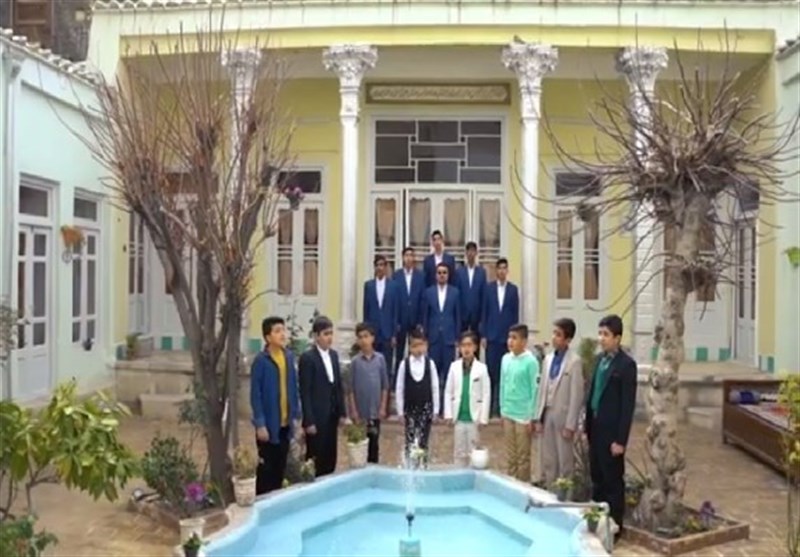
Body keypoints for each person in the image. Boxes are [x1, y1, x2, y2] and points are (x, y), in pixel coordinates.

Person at [585, 314, 637, 541]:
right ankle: (596, 520)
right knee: (596, 477)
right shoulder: (599, 361)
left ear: (617, 338)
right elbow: (592, 393)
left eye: (606, 334)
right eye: (600, 334)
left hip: (612, 434)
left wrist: (621, 440)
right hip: (595, 428)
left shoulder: (626, 365)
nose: (601, 338)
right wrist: (586, 425)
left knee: (612, 480)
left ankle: (615, 525)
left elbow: (627, 406)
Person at [250, 316, 301, 494]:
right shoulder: (261, 361)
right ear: (267, 337)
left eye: (283, 330)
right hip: (268, 425)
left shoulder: (288, 357)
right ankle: (262, 500)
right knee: (266, 469)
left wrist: (296, 416)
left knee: (280, 467)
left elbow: (294, 388)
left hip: (285, 424)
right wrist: (260, 424)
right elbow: (255, 395)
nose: (282, 334)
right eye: (277, 331)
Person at [534, 318, 585, 486]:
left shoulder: (574, 362)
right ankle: (550, 489)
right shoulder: (548, 359)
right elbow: (542, 389)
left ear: (568, 340)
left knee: (565, 460)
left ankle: (565, 492)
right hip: (547, 413)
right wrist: (538, 417)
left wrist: (571, 424)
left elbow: (576, 395)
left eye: (558, 335)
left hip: (563, 416)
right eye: (554, 333)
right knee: (549, 458)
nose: (554, 338)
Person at [298, 315, 347, 477]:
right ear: (316, 336)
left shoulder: (333, 355)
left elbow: (338, 386)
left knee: (330, 454)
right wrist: (308, 420)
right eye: (326, 334)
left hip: (331, 414)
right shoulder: (308, 358)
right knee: (315, 456)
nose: (329, 337)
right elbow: (305, 392)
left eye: (331, 333)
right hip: (317, 417)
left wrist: (342, 413)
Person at [444, 331, 491, 467]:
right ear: (459, 348)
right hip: (458, 417)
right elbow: (448, 392)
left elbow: (486, 393)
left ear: (475, 347)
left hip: (474, 418)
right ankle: (458, 476)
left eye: (469, 345)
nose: (466, 349)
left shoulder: (482, 368)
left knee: (473, 452)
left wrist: (483, 418)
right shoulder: (454, 367)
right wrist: (448, 414)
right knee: (459, 452)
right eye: (463, 345)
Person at [500, 323, 540, 483]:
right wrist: (502, 409)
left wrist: (532, 417)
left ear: (524, 341)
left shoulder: (531, 362)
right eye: (509, 337)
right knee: (511, 457)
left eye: (514, 338)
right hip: (508, 412)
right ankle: (511, 486)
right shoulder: (505, 359)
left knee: (523, 458)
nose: (510, 341)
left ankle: (523, 487)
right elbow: (503, 384)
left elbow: (534, 390)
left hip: (523, 416)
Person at [480, 257, 520, 417]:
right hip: (491, 337)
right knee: (491, 373)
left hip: (506, 338)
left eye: (504, 268)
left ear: (507, 270)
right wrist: (483, 335)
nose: (502, 271)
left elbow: (515, 315)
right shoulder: (489, 289)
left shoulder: (513, 290)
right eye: (499, 268)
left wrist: (514, 337)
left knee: (505, 374)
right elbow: (484, 312)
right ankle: (490, 408)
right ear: (496, 271)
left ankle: (503, 407)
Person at [420, 262, 460, 416]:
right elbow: (425, 316)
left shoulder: (455, 292)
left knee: (449, 375)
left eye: (444, 272)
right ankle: (433, 408)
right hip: (434, 339)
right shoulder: (428, 292)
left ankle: (447, 409)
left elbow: (457, 316)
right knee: (433, 375)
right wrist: (425, 337)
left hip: (449, 339)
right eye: (439, 272)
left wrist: (457, 337)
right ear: (435, 275)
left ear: (448, 275)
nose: (442, 275)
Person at [395, 327, 440, 463]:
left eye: (421, 345)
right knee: (410, 440)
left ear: (426, 345)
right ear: (409, 347)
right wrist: (400, 411)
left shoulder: (430, 364)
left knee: (423, 440)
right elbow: (399, 388)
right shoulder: (404, 365)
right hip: (410, 409)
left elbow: (435, 387)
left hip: (426, 408)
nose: (418, 349)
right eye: (414, 346)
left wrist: (436, 410)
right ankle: (410, 466)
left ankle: (423, 466)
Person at [348, 323, 389, 464]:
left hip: (375, 411)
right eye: (360, 337)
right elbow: (350, 389)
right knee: (359, 445)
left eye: (366, 336)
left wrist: (383, 407)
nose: (363, 340)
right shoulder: (355, 362)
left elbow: (384, 386)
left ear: (372, 338)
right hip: (360, 412)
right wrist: (354, 411)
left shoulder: (380, 359)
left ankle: (373, 470)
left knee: (374, 444)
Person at [363, 255, 399, 374]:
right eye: (377, 265)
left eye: (382, 265)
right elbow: (366, 310)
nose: (380, 268)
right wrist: (366, 333)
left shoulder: (393, 286)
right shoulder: (369, 286)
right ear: (374, 267)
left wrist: (394, 334)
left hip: (388, 332)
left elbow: (395, 311)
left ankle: (387, 385)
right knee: (372, 363)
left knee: (387, 364)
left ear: (386, 267)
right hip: (373, 331)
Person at [392, 246, 425, 375]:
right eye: (407, 256)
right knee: (399, 353)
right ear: (402, 258)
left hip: (415, 320)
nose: (409, 258)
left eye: (411, 255)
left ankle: (414, 375)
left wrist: (421, 321)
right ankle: (398, 378)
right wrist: (396, 321)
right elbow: (394, 300)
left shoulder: (420, 276)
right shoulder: (397, 275)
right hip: (401, 320)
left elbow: (422, 299)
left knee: (415, 350)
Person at [455, 242, 487, 345]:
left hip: (476, 316)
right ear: (466, 253)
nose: (471, 254)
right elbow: (457, 294)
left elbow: (483, 295)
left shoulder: (481, 272)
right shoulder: (459, 272)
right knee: (463, 344)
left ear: (476, 253)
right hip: (462, 314)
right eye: (469, 251)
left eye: (473, 251)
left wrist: (482, 317)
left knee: (475, 344)